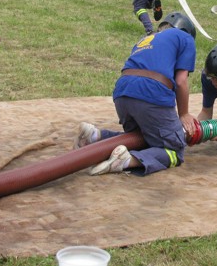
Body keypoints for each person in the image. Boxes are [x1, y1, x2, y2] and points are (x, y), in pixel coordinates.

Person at [73, 12, 197, 176]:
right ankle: (127, 160)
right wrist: (184, 114)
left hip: (122, 92)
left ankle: (96, 136)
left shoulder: (146, 39)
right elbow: (181, 81)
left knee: (141, 137)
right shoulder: (184, 37)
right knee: (174, 150)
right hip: (150, 92)